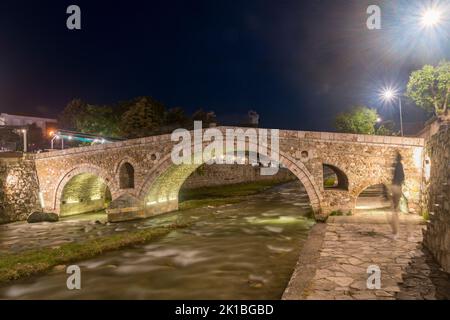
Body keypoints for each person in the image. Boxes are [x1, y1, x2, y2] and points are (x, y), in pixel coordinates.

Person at [391, 152, 405, 238]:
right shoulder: (399, 165)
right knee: (394, 209)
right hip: (397, 186)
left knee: (394, 210)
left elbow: (399, 177)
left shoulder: (398, 165)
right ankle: (395, 231)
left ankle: (396, 232)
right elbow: (402, 177)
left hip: (396, 187)